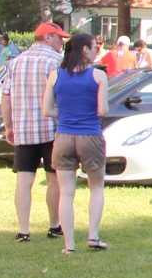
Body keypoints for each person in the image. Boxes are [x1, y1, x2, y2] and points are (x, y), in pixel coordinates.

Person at [42, 32, 109, 254]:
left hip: (63, 136)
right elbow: (103, 110)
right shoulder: (98, 76)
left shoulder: (55, 75)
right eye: (93, 48)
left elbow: (47, 110)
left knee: (66, 192)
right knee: (96, 186)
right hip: (90, 135)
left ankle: (69, 245)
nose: (95, 51)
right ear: (84, 50)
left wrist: (66, 112)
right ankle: (93, 236)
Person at [3, 21, 65, 243]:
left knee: (24, 180)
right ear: (47, 37)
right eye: (59, 38)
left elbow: (6, 97)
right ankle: (54, 225)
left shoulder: (15, 63)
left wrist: (8, 125)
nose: (62, 42)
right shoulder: (57, 62)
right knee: (53, 179)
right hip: (52, 129)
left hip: (23, 128)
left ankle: (23, 230)